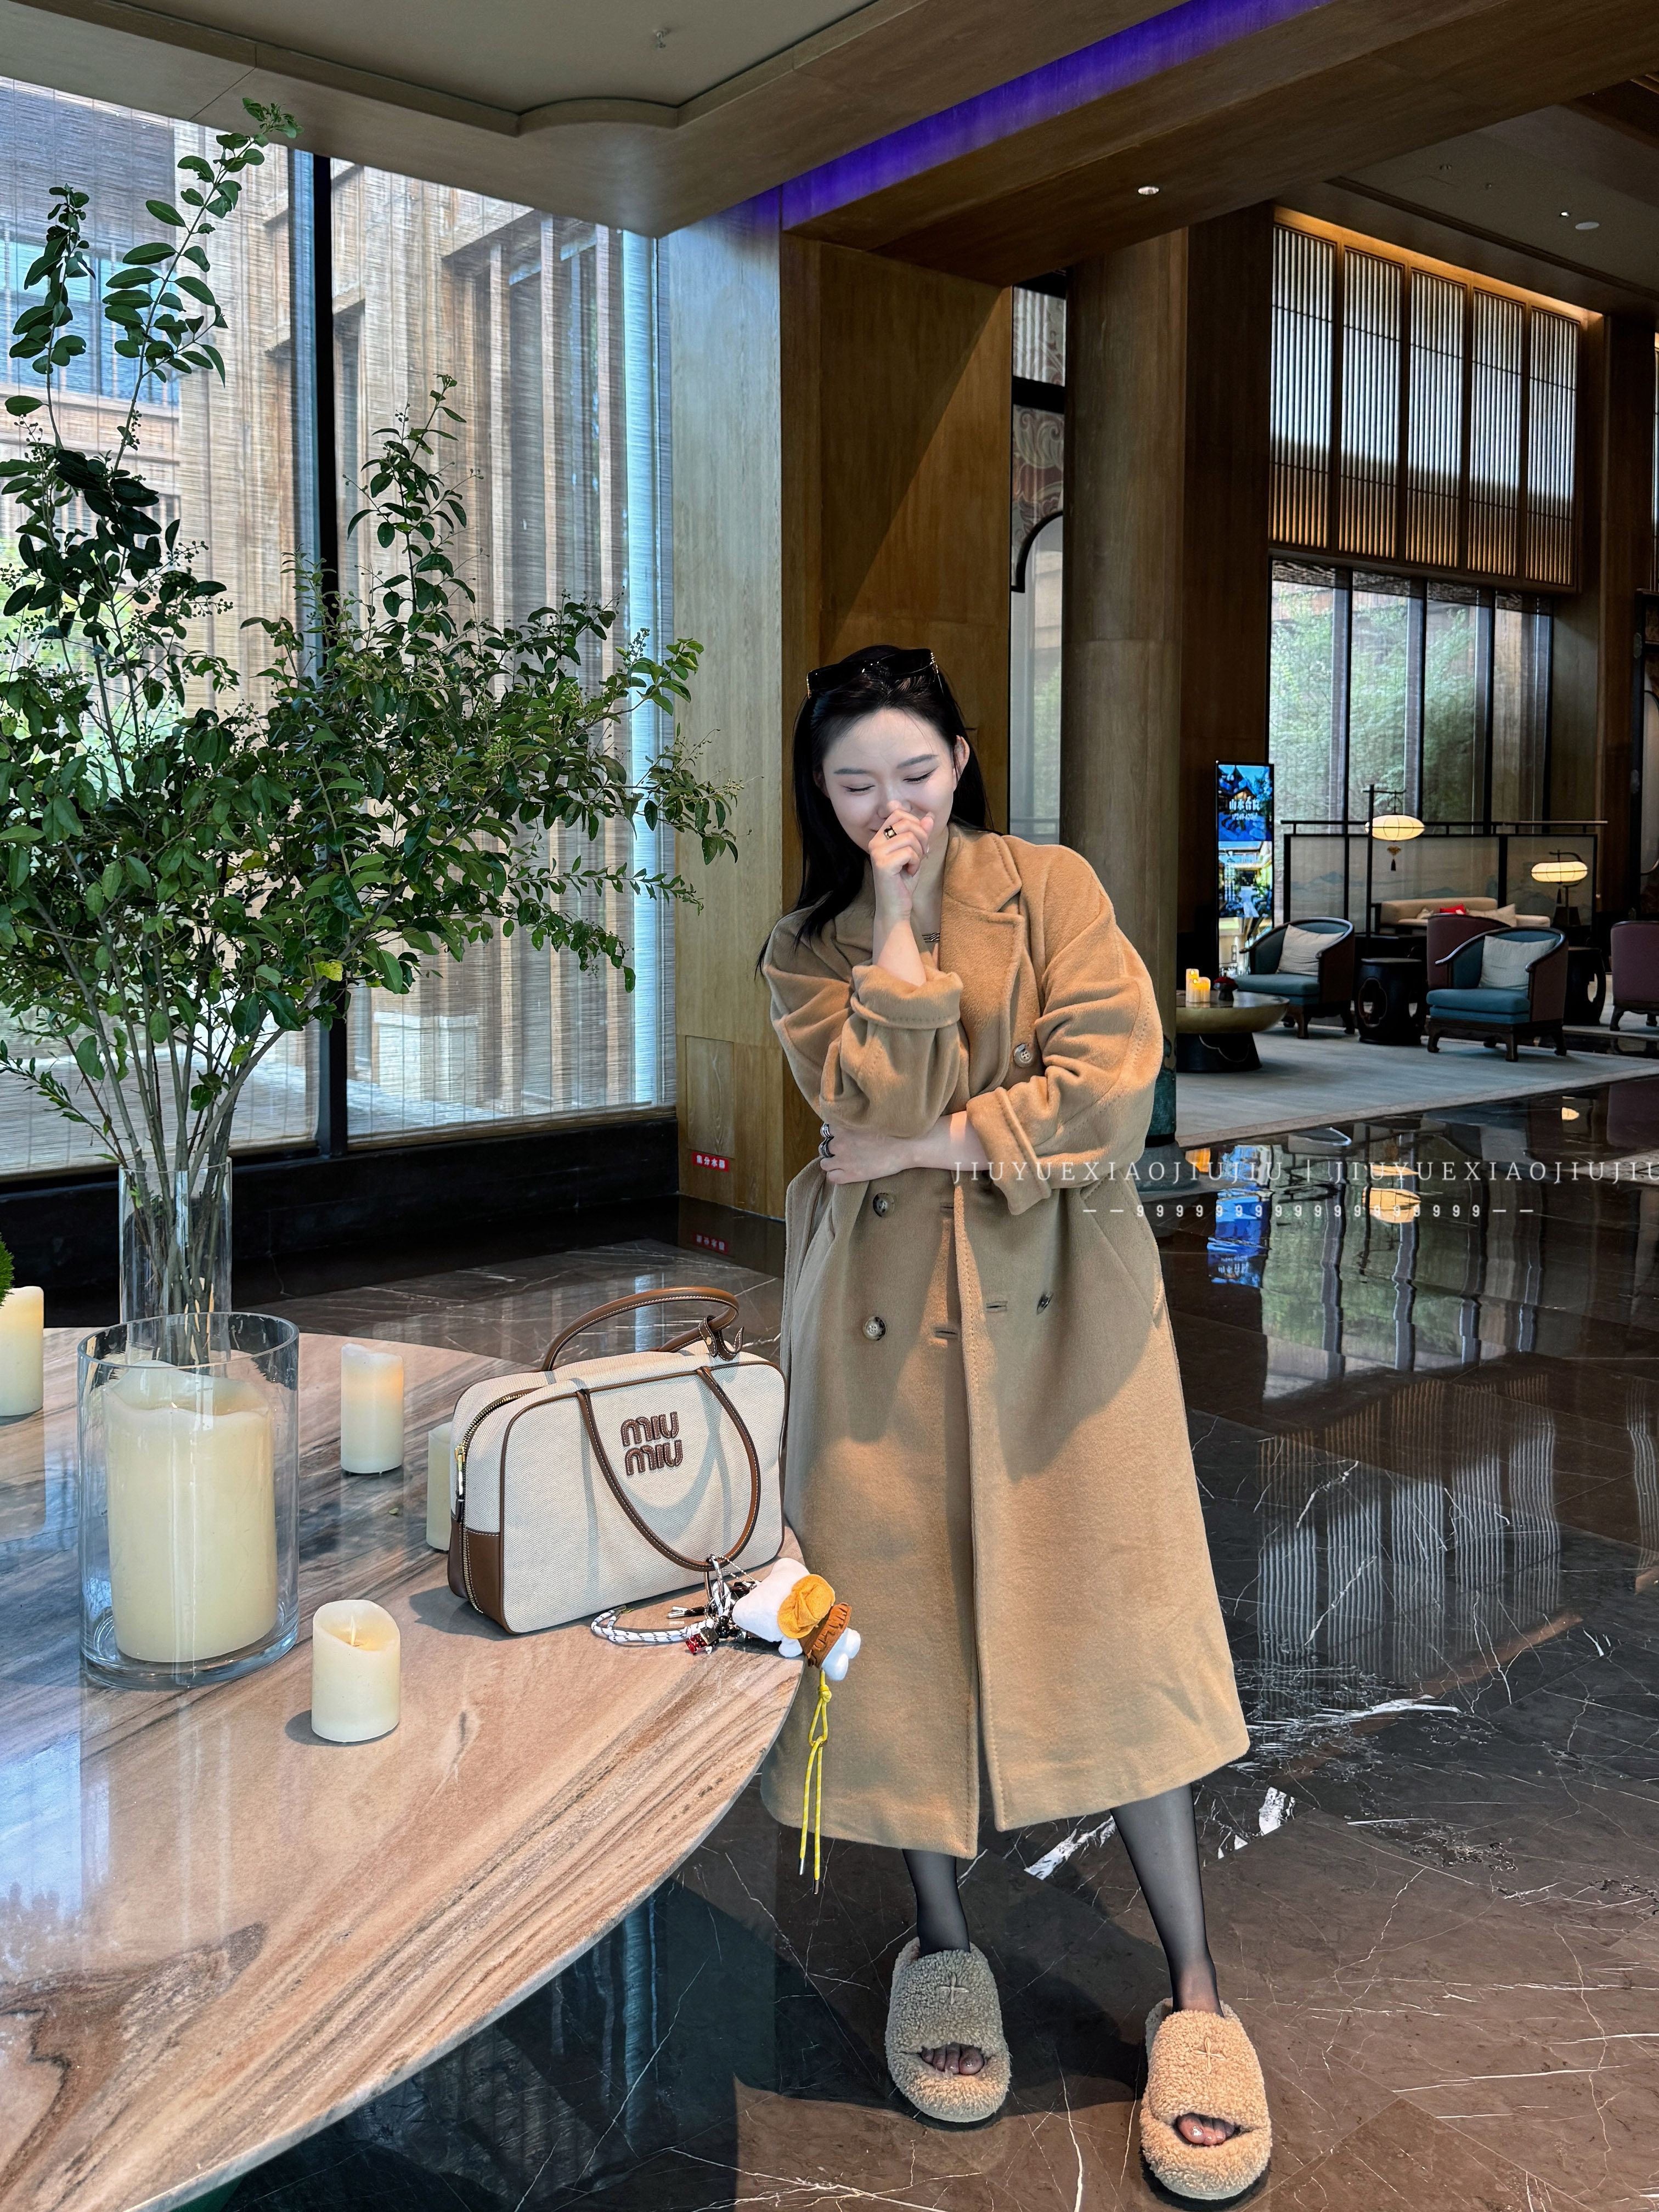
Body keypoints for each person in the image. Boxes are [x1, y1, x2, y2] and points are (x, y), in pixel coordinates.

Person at [756, 644, 1271, 2199]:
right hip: (878, 1332)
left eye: (915, 775)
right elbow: (854, 1103)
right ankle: (940, 1941)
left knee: (1119, 1628)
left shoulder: (1053, 888)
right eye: (857, 785)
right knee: (899, 1631)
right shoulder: (811, 945)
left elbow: (1111, 1084)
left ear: (963, 760)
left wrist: (929, 1146)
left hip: (1066, 1327)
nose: (891, 808)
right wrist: (899, 932)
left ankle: (1196, 1991)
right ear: (822, 794)